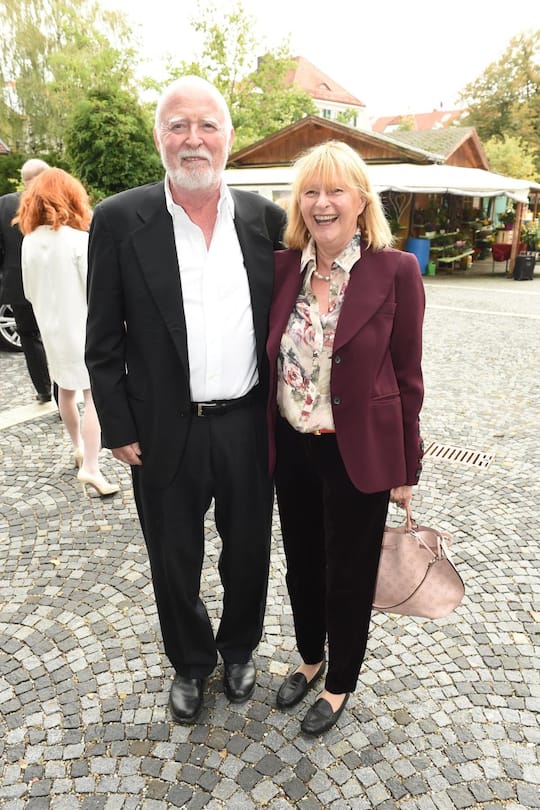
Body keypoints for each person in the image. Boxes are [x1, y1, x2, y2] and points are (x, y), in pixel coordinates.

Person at [85, 76, 287, 724]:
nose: (192, 138)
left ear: (229, 137)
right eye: (178, 125)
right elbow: (101, 342)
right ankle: (191, 663)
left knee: (249, 550)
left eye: (206, 125)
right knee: (174, 557)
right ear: (159, 139)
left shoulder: (265, 220)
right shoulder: (118, 220)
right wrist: (116, 424)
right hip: (164, 429)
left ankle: (240, 650)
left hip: (248, 423)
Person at [266, 140, 425, 736]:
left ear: (360, 200)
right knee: (302, 564)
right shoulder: (283, 269)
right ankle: (310, 658)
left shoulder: (396, 270)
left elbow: (408, 376)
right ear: (298, 202)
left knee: (349, 570)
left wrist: (406, 468)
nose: (323, 203)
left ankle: (339, 683)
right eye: (311, 190)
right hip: (294, 447)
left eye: (336, 190)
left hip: (357, 451)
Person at [16, 167, 119, 497]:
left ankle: (77, 447)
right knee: (94, 397)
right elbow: (95, 290)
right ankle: (91, 466)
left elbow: (29, 291)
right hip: (83, 326)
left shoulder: (29, 242)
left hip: (52, 328)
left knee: (66, 389)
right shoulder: (79, 240)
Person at [0, 159, 52, 402]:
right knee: (56, 335)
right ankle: (67, 395)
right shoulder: (57, 202)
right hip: (53, 281)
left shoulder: (4, 204)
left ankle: (43, 390)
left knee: (29, 336)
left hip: (18, 282)